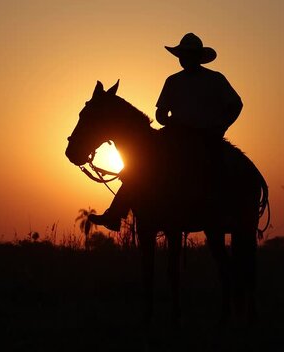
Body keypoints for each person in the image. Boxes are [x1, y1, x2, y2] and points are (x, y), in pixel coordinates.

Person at [89, 33, 242, 231]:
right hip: (175, 136)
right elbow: (160, 113)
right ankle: (116, 213)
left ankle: (225, 211)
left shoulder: (215, 79)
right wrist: (168, 121)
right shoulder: (173, 81)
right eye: (182, 55)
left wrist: (221, 126)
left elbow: (236, 105)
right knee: (138, 165)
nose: (183, 59)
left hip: (206, 137)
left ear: (197, 56)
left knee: (217, 168)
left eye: (187, 55)